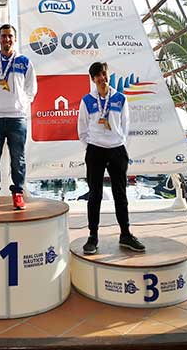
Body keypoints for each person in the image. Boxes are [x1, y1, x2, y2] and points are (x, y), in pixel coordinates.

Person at [77, 62, 144, 254]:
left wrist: (118, 143)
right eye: (98, 76)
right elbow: (82, 129)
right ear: (93, 79)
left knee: (120, 194)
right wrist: (91, 145)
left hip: (117, 150)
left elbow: (126, 126)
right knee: (95, 195)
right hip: (95, 150)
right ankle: (93, 236)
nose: (102, 78)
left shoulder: (120, 98)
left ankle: (125, 234)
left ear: (108, 75)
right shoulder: (87, 100)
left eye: (104, 74)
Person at [0, 24, 37, 210]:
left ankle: (18, 193)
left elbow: (31, 89)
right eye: (3, 36)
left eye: (10, 36)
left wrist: (20, 104)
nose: (7, 39)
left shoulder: (24, 62)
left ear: (15, 38)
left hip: (17, 118)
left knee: (18, 158)